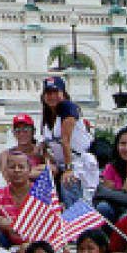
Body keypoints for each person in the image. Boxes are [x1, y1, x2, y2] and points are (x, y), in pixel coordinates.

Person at [39, 75, 99, 206]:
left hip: (78, 164)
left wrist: (68, 169)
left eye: (56, 92)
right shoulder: (48, 116)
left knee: (71, 190)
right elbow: (49, 144)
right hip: (61, 164)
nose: (52, 96)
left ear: (63, 93)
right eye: (48, 93)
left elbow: (66, 140)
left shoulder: (68, 108)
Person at [0, 151, 39, 253]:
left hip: (37, 245)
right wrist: (0, 221)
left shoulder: (41, 194)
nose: (17, 170)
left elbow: (51, 223)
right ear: (6, 171)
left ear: (29, 170)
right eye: (12, 167)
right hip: (7, 247)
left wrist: (32, 245)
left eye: (21, 167)